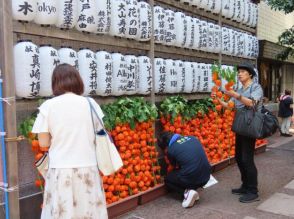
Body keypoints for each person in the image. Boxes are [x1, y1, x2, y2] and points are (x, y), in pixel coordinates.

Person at [32, 64, 108, 218]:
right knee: (89, 211)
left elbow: (43, 143)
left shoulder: (48, 106)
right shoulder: (90, 104)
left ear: (55, 82)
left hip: (60, 169)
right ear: (78, 81)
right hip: (88, 167)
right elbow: (100, 133)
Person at [214, 63, 263, 203]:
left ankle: (253, 191)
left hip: (250, 126)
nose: (239, 74)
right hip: (241, 125)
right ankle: (245, 185)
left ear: (250, 75)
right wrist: (218, 99)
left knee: (247, 159)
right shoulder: (240, 88)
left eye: (242, 72)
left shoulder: (256, 87)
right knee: (239, 157)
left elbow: (252, 103)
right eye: (239, 72)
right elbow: (230, 106)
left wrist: (237, 95)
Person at [157, 132, 211, 208]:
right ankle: (193, 192)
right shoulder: (192, 138)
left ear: (165, 146)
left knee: (168, 179)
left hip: (193, 178)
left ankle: (187, 193)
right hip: (206, 177)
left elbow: (173, 167)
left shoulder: (171, 149)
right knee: (187, 170)